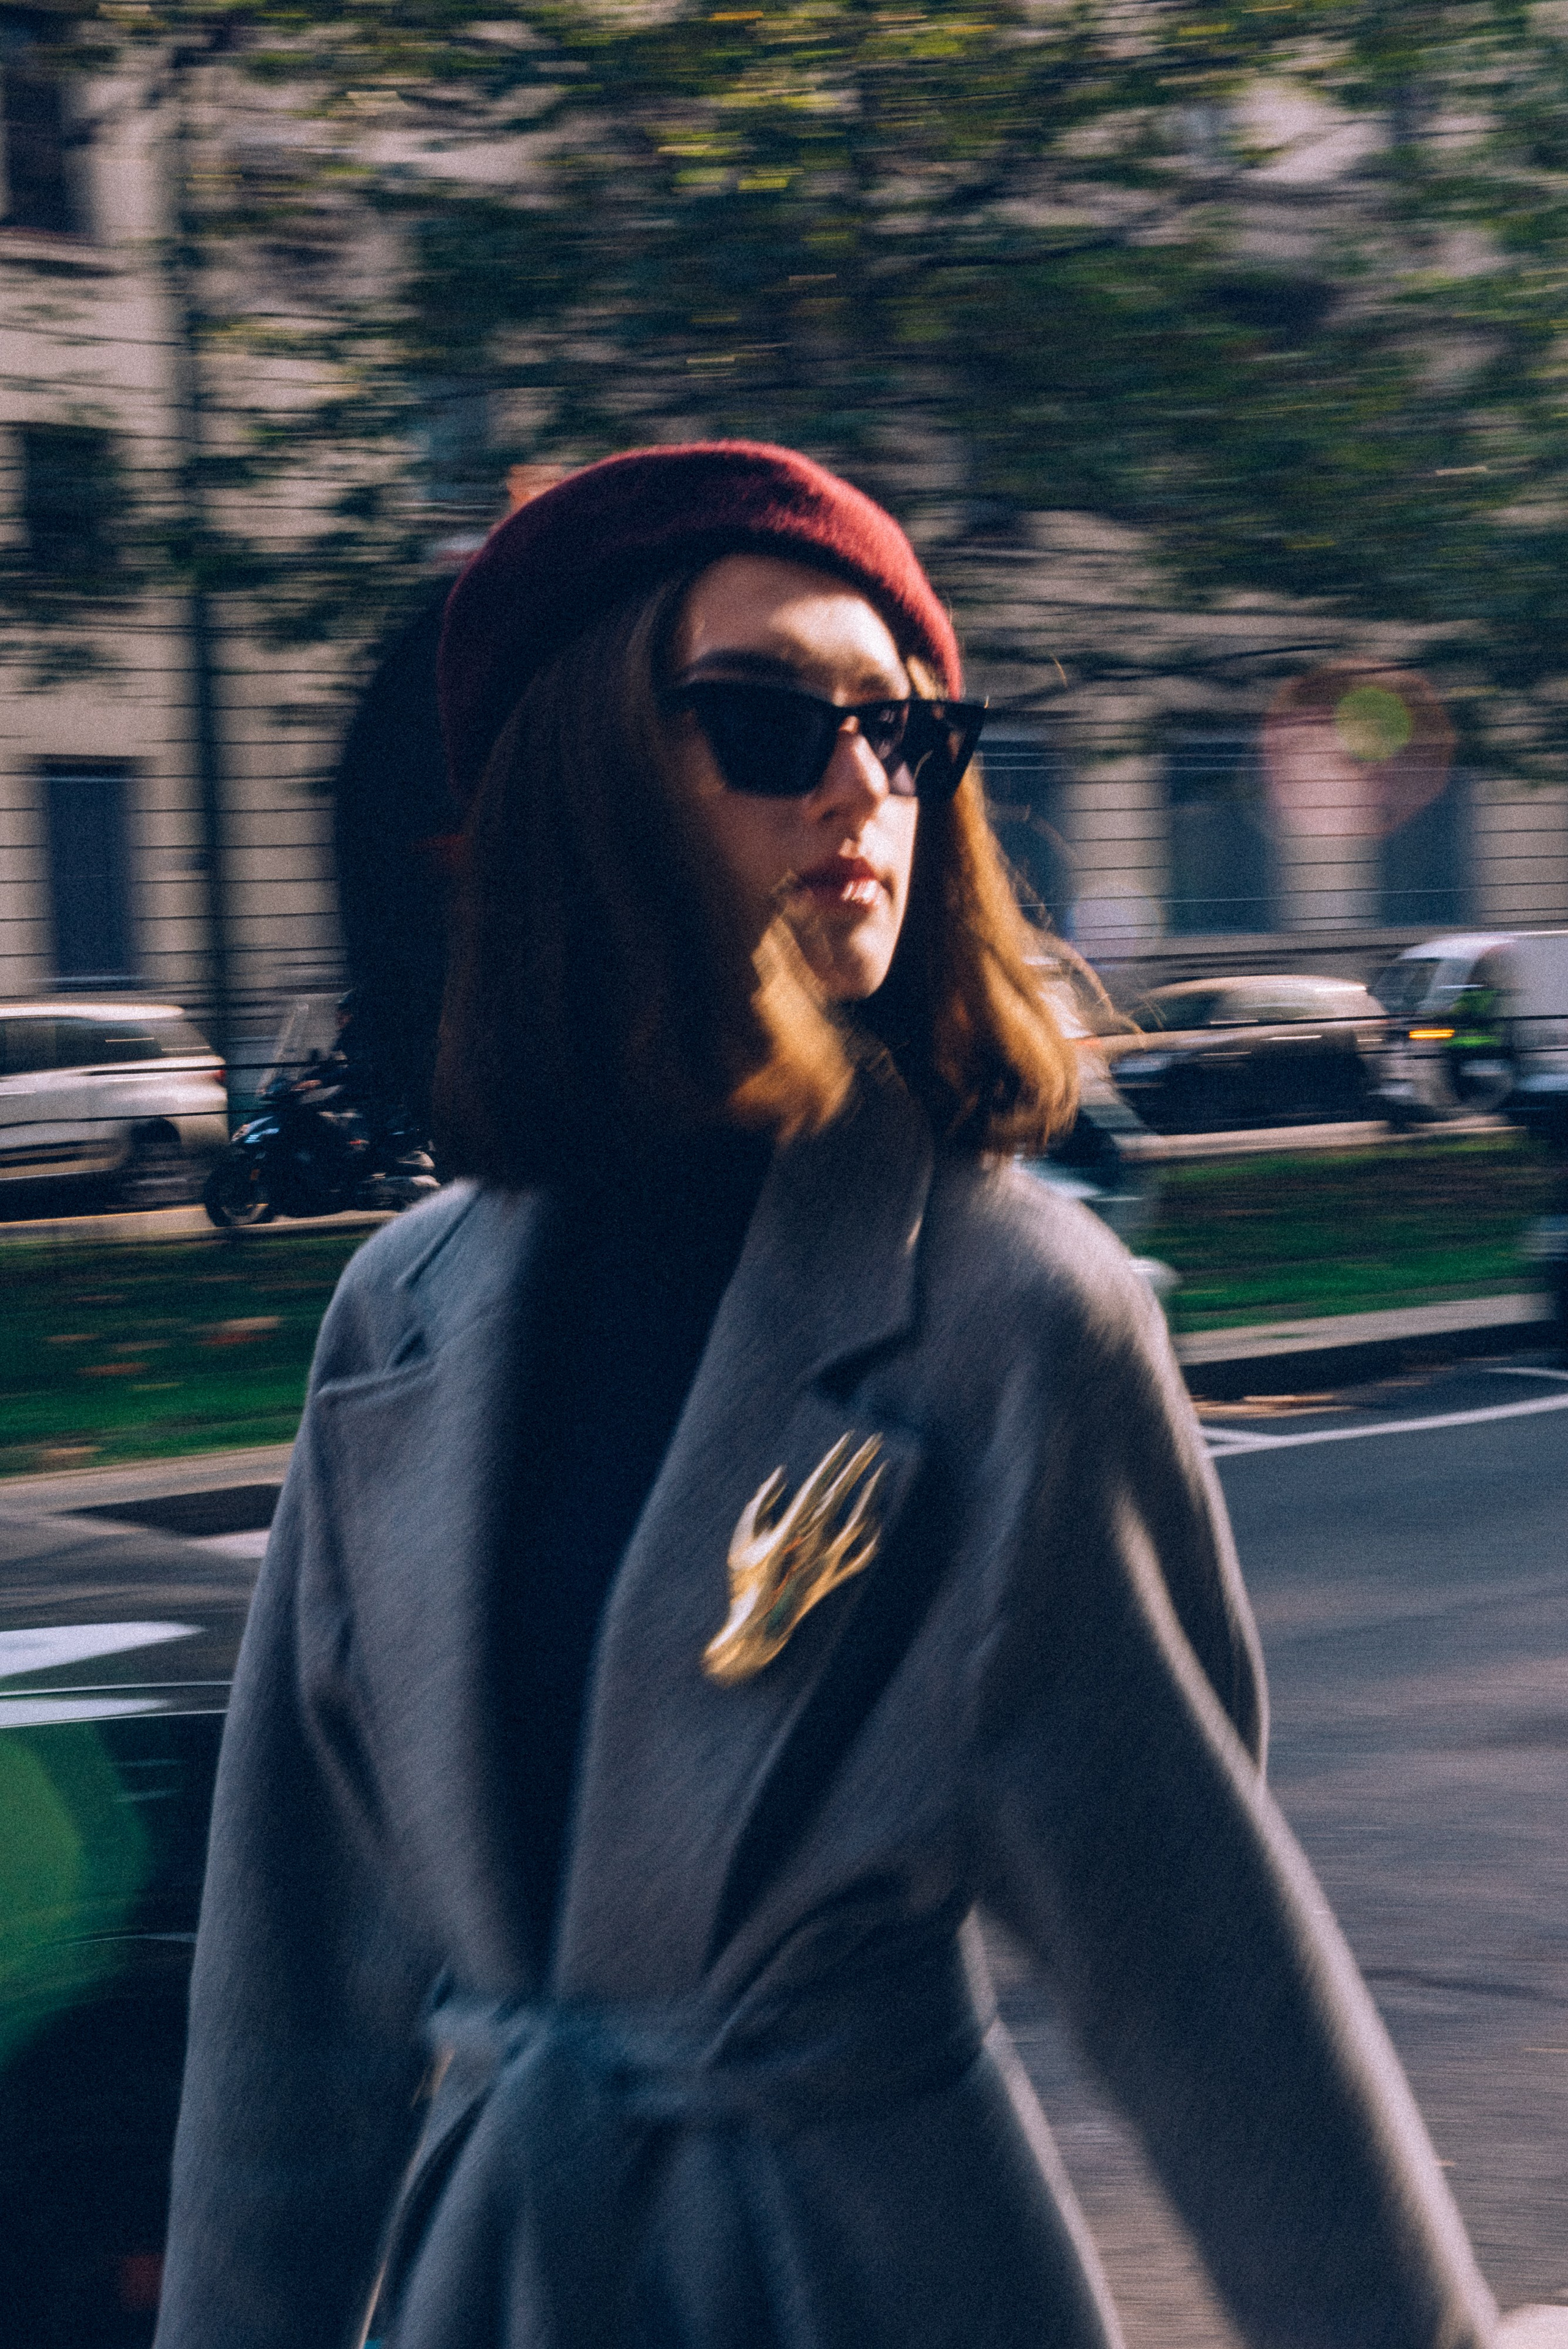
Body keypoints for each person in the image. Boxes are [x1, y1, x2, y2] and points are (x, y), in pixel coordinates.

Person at [153, 443, 1500, 2349]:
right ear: (585, 776)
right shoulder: (401, 1318)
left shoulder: (1019, 1315)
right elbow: (283, 2026)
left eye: (906, 733)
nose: (864, 783)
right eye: (774, 721)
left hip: (867, 2275)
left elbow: (1212, 1986)